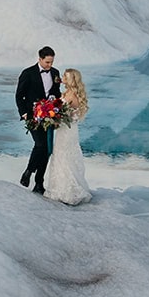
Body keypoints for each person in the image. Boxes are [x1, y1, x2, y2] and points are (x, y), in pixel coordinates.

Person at [15, 45, 61, 194]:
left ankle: (39, 183)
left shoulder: (55, 73)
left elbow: (56, 93)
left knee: (47, 149)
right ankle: (28, 171)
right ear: (40, 59)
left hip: (50, 116)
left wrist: (58, 107)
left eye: (52, 62)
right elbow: (19, 95)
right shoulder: (28, 73)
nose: (50, 65)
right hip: (32, 115)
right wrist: (24, 113)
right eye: (47, 62)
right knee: (40, 145)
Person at [45, 68, 93, 205]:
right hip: (62, 130)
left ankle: (69, 190)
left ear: (71, 79)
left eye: (65, 76)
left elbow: (72, 116)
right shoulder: (67, 92)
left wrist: (57, 118)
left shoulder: (73, 95)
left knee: (65, 156)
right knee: (60, 155)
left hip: (68, 130)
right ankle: (58, 187)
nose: (62, 78)